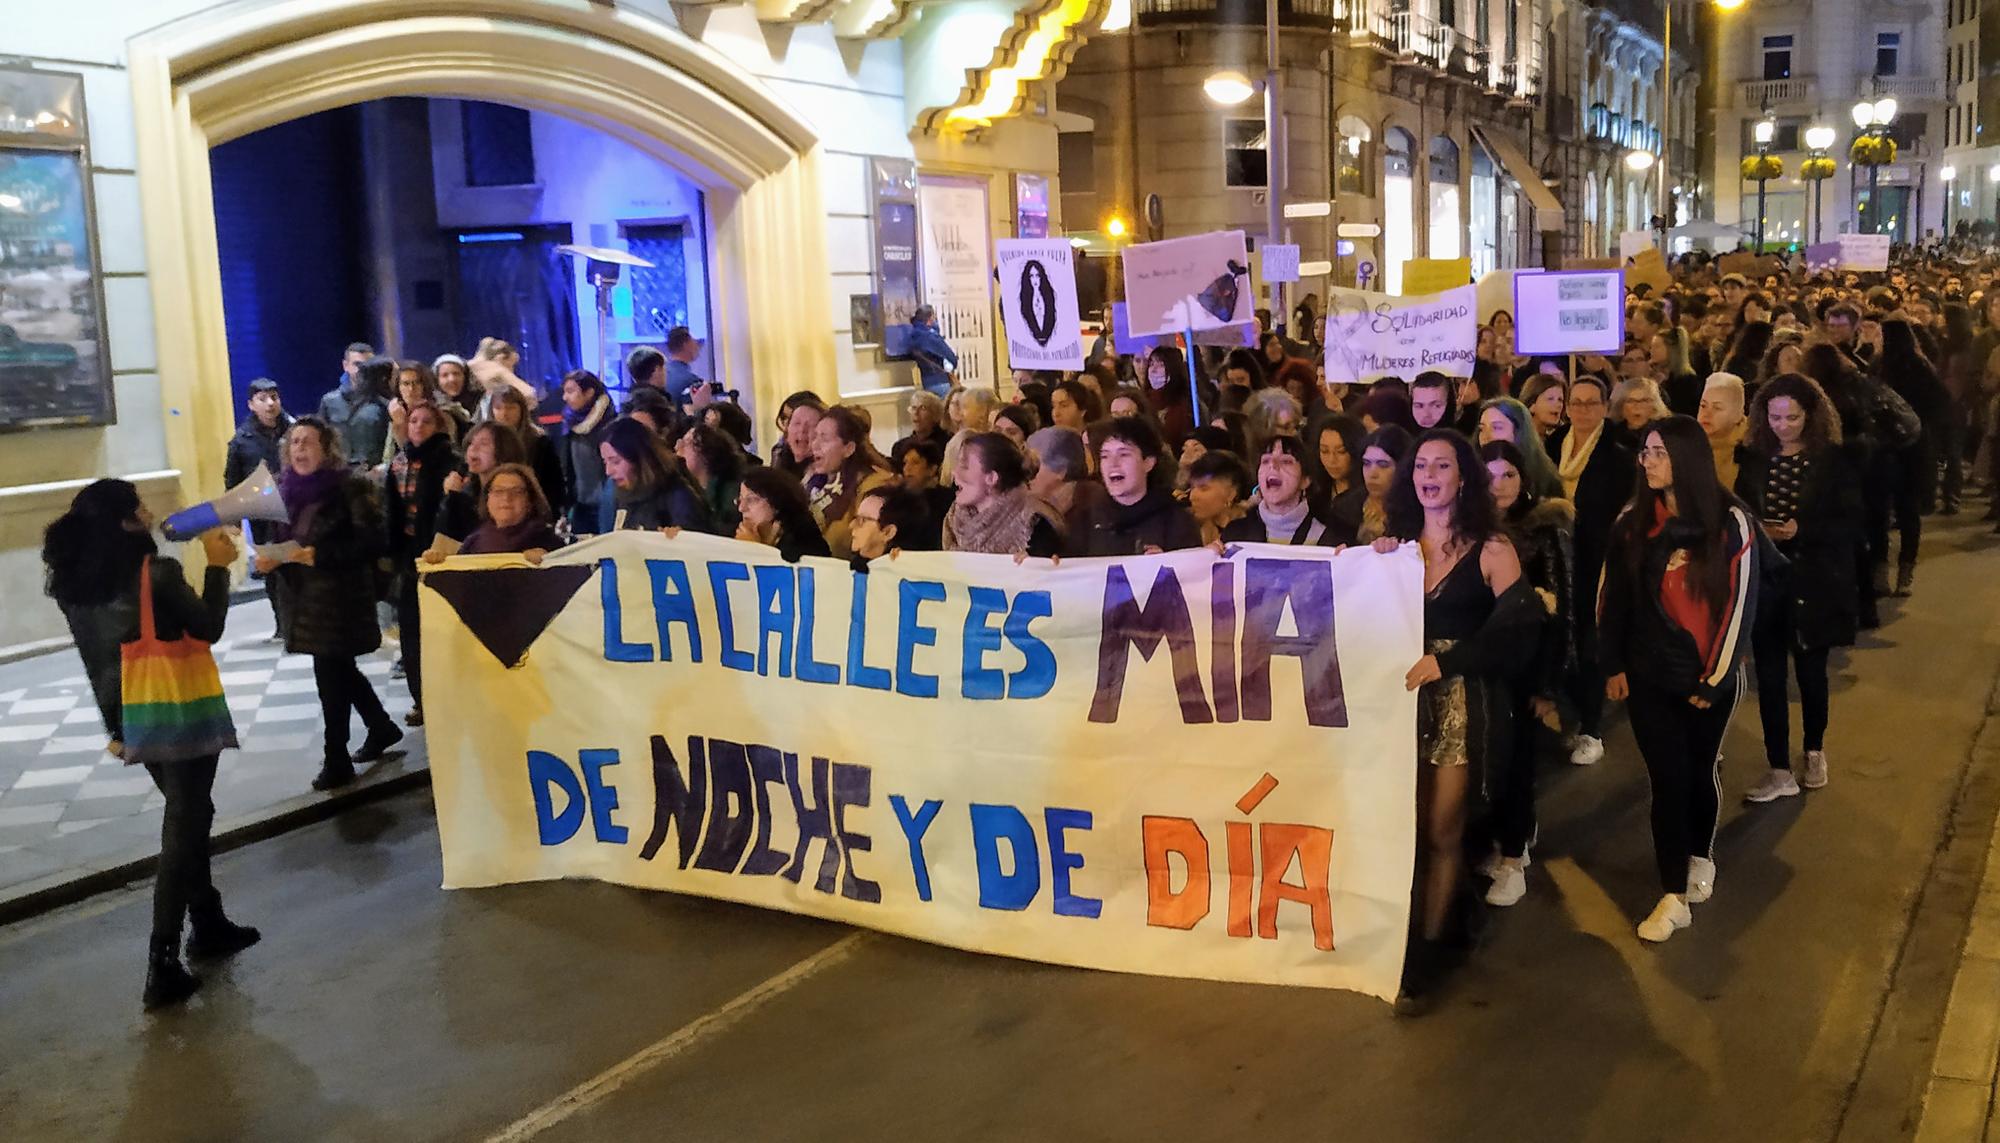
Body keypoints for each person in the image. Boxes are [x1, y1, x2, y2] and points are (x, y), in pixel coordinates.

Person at [43, 480, 259, 1009]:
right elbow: (207, 626)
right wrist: (214, 564)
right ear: (124, 521)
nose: (149, 509)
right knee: (184, 821)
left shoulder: (73, 582)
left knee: (190, 812)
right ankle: (162, 961)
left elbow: (99, 656)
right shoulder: (155, 574)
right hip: (175, 710)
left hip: (128, 715)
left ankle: (207, 921)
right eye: (138, 504)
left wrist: (116, 729)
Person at [1375, 430, 1527, 1007]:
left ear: (1464, 476)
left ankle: (1432, 948)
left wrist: (1450, 660)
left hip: (1464, 704)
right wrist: (1369, 567)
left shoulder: (1492, 549)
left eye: (1443, 464)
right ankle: (1408, 930)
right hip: (1401, 706)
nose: (1430, 474)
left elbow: (1517, 632)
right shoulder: (1394, 549)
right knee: (1406, 828)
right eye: (1421, 465)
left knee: (1443, 830)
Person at [1599, 416, 1759, 943]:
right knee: (1666, 779)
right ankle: (1672, 894)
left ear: (1687, 458)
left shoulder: (1730, 521)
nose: (1648, 462)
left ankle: (1699, 853)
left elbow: (1739, 603)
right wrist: (1613, 663)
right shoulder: (1632, 522)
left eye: (1660, 452)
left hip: (1707, 676)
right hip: (1649, 673)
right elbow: (1613, 597)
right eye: (1645, 452)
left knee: (1697, 770)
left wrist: (1713, 678)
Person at [1736, 373, 1861, 802]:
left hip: (1816, 578)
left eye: (1792, 417)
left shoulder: (1833, 461)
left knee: (1810, 673)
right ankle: (1777, 767)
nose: (1783, 426)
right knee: (1769, 676)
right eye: (1774, 417)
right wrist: (1760, 527)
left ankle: (1814, 749)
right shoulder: (1754, 458)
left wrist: (1802, 528)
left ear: (1811, 416)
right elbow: (1741, 507)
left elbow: (1852, 519)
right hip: (1769, 579)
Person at [261, 417, 402, 791]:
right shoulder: (283, 489)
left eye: (308, 442)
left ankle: (336, 758)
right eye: (294, 443)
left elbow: (373, 541)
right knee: (339, 670)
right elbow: (281, 538)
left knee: (330, 676)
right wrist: (271, 559)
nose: (300, 449)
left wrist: (320, 554)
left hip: (340, 597)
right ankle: (381, 726)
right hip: (304, 599)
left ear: (327, 448)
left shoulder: (349, 486)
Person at [1479, 441, 1576, 908]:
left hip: (1524, 665)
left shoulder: (1544, 529)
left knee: (1517, 761)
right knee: (1489, 761)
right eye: (1489, 476)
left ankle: (1515, 858)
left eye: (1508, 476)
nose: (1498, 486)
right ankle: (1500, 841)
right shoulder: (1465, 529)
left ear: (1525, 480)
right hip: (1481, 664)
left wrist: (1548, 686)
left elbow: (1560, 613)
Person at [1546, 373, 1633, 767]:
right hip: (1557, 560)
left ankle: (1592, 728)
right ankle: (1566, 714)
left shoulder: (1617, 456)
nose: (1581, 410)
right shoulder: (1550, 447)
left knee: (1590, 638)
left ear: (1603, 408)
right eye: (1575, 402)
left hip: (1596, 561)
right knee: (1562, 636)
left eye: (1590, 403)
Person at [384, 402, 456, 726]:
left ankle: (449, 697)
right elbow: (392, 512)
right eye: (414, 420)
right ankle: (421, 699)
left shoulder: (450, 462)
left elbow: (449, 511)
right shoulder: (399, 463)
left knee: (443, 632)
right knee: (412, 633)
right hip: (410, 557)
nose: (419, 426)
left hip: (442, 553)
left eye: (427, 422)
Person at [1875, 318, 1950, 596]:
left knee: (1881, 510)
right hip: (1915, 446)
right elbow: (1941, 402)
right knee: (1909, 511)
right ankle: (1906, 572)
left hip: (1885, 448)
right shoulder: (1922, 367)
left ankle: (1881, 570)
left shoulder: (1879, 366)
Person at [1066, 416, 1202, 556]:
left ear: (1148, 462)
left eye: (1124, 454)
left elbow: (1192, 572)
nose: (1113, 464)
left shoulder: (1176, 521)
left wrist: (1168, 564)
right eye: (1105, 456)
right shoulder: (1086, 520)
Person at [225, 377, 294, 639]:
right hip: (263, 512)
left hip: (294, 507)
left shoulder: (293, 430)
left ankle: (297, 618)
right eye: (263, 399)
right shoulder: (242, 440)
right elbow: (232, 479)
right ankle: (282, 622)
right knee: (272, 567)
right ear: (251, 404)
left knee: (295, 564)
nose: (270, 404)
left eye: (274, 397)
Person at [944, 432, 1064, 557]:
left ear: (991, 478)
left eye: (964, 466)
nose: (954, 473)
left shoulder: (1035, 523)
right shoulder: (953, 521)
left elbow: (1048, 570)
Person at [806, 406, 894, 559]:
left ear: (849, 448)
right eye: (815, 437)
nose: (815, 445)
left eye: (824, 439)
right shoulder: (814, 482)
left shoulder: (874, 485)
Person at [600, 417, 714, 533]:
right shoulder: (623, 493)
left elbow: (695, 542)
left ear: (639, 459)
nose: (608, 471)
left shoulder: (677, 496)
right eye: (605, 462)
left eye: (615, 461)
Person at [1222, 435, 1335, 545]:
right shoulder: (1234, 535)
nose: (1272, 465)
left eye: (1286, 461)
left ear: (1305, 480)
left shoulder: (1330, 539)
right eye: (1265, 461)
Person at [485, 385, 568, 523]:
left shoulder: (539, 441)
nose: (504, 413)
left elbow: (554, 485)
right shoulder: (485, 442)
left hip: (534, 515)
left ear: (521, 410)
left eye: (511, 407)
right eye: (499, 408)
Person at [437, 421, 529, 545]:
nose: (473, 449)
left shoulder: (520, 486)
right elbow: (446, 537)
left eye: (483, 444)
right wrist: (451, 498)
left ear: (503, 450)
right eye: (471, 443)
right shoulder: (468, 490)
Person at [455, 463, 564, 558]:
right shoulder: (473, 542)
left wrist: (547, 562)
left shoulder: (547, 541)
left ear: (530, 501)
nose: (506, 498)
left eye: (516, 492)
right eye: (498, 491)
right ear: (487, 500)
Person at [558, 369, 616, 535]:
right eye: (564, 392)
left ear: (589, 392)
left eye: (570, 391)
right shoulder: (570, 423)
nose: (565, 398)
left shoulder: (609, 424)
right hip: (580, 505)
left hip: (607, 504)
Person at [737, 466, 833, 562]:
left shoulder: (804, 541)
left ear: (776, 502)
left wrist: (753, 551)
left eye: (751, 500)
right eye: (740, 500)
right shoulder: (749, 534)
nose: (741, 508)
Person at [1475, 397, 1563, 499]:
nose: (1486, 436)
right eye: (1482, 429)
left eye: (1497, 428)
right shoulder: (1470, 473)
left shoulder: (1544, 481)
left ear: (1518, 432)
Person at [318, 354, 392, 470]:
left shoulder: (383, 404)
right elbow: (321, 440)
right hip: (339, 472)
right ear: (345, 365)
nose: (362, 370)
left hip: (373, 472)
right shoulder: (329, 401)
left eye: (367, 365)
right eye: (357, 364)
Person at [674, 421, 745, 534]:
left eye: (687, 443)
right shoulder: (682, 489)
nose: (678, 447)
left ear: (707, 453)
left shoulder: (731, 493)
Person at [1310, 414, 1367, 539]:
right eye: (1324, 451)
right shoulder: (1313, 491)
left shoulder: (1367, 496)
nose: (1331, 460)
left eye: (1341, 452)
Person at [850, 484, 932, 567]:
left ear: (888, 532)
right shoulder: (850, 570)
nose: (851, 525)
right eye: (856, 518)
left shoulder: (911, 571)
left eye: (863, 520)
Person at [1356, 424, 1412, 543]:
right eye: (1366, 463)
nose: (1372, 474)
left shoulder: (1416, 514)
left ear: (1402, 467)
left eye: (1383, 465)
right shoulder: (1346, 507)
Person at [1184, 449, 1251, 544]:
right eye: (1192, 487)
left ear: (1231, 494)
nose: (1192, 497)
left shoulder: (1254, 529)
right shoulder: (1188, 527)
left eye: (1204, 488)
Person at [1697, 373, 1749, 491]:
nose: (1706, 414)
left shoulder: (1749, 450)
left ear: (1737, 415)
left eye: (1717, 408)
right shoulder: (1688, 441)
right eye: (1703, 405)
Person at [907, 305, 959, 396]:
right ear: (930, 319)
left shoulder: (913, 336)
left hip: (926, 381)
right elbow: (950, 356)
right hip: (940, 380)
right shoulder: (931, 336)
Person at [773, 394, 826, 479]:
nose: (802, 430)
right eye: (797, 423)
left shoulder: (824, 474)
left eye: (811, 425)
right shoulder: (780, 457)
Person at [660, 327, 708, 405]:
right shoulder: (692, 382)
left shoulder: (660, 375)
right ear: (686, 345)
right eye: (694, 342)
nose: (697, 347)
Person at [434, 353, 481, 424]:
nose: (452, 379)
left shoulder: (480, 401)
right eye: (445, 375)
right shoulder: (431, 405)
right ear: (437, 379)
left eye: (456, 374)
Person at [1520, 375, 1566, 441]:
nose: (1558, 405)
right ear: (1532, 405)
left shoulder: (1557, 442)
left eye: (1560, 400)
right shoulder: (1516, 439)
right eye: (1550, 399)